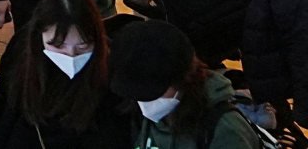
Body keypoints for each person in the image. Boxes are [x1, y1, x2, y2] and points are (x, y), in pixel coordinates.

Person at [0, 0, 129, 149]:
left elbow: (113, 133)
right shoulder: (23, 47)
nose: (71, 55)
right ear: (39, 35)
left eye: (83, 47)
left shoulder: (111, 68)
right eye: (58, 47)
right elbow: (5, 89)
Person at [109, 20, 261, 149]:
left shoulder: (226, 131)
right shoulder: (153, 115)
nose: (144, 102)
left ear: (183, 79)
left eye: (152, 92)